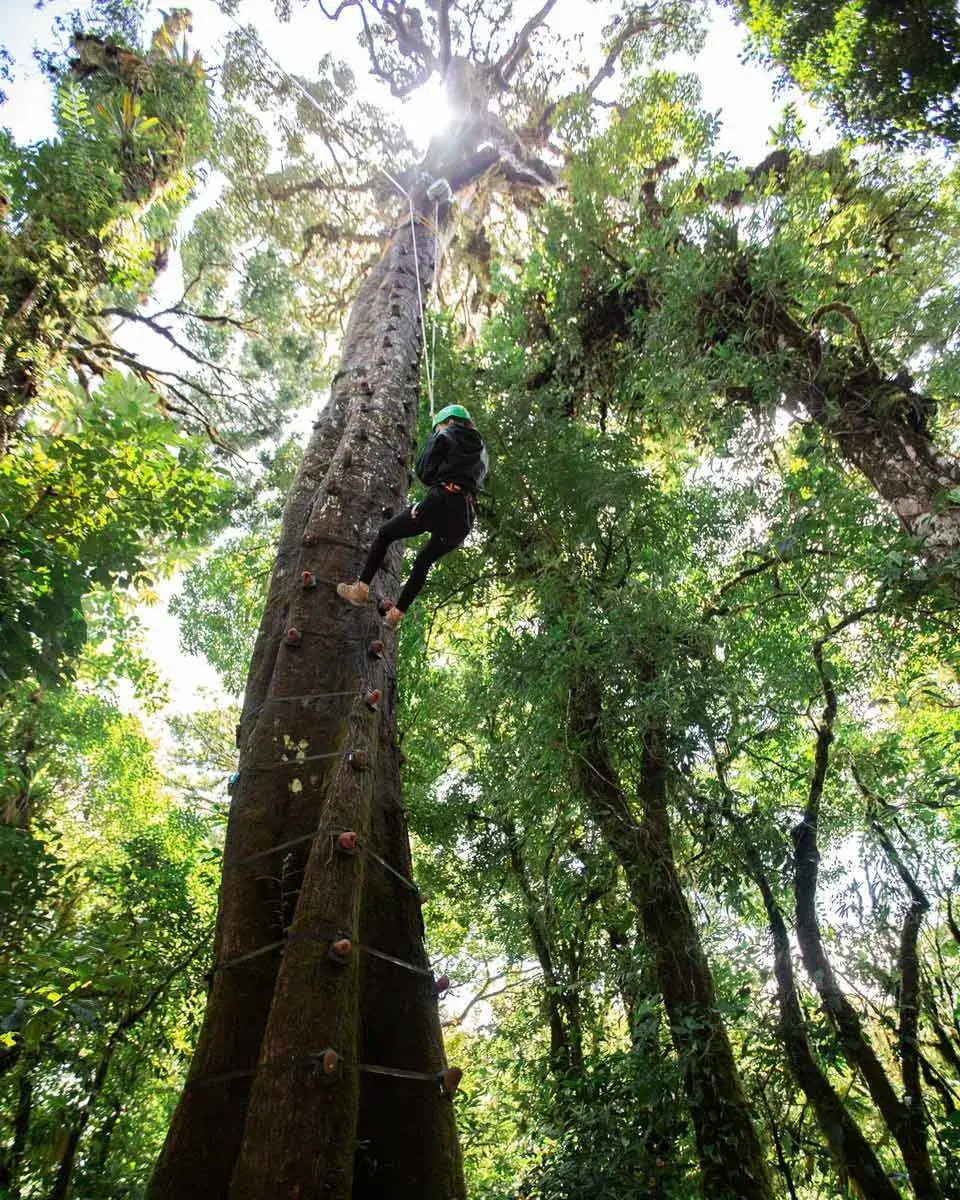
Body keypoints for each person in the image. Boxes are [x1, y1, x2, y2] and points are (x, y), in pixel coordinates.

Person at [336, 404, 489, 630]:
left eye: (439, 426)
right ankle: (396, 615)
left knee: (386, 533)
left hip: (440, 501)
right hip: (464, 516)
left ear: (447, 422)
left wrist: (433, 438)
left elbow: (425, 472)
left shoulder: (445, 434)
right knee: (424, 561)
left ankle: (360, 589)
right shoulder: (483, 451)